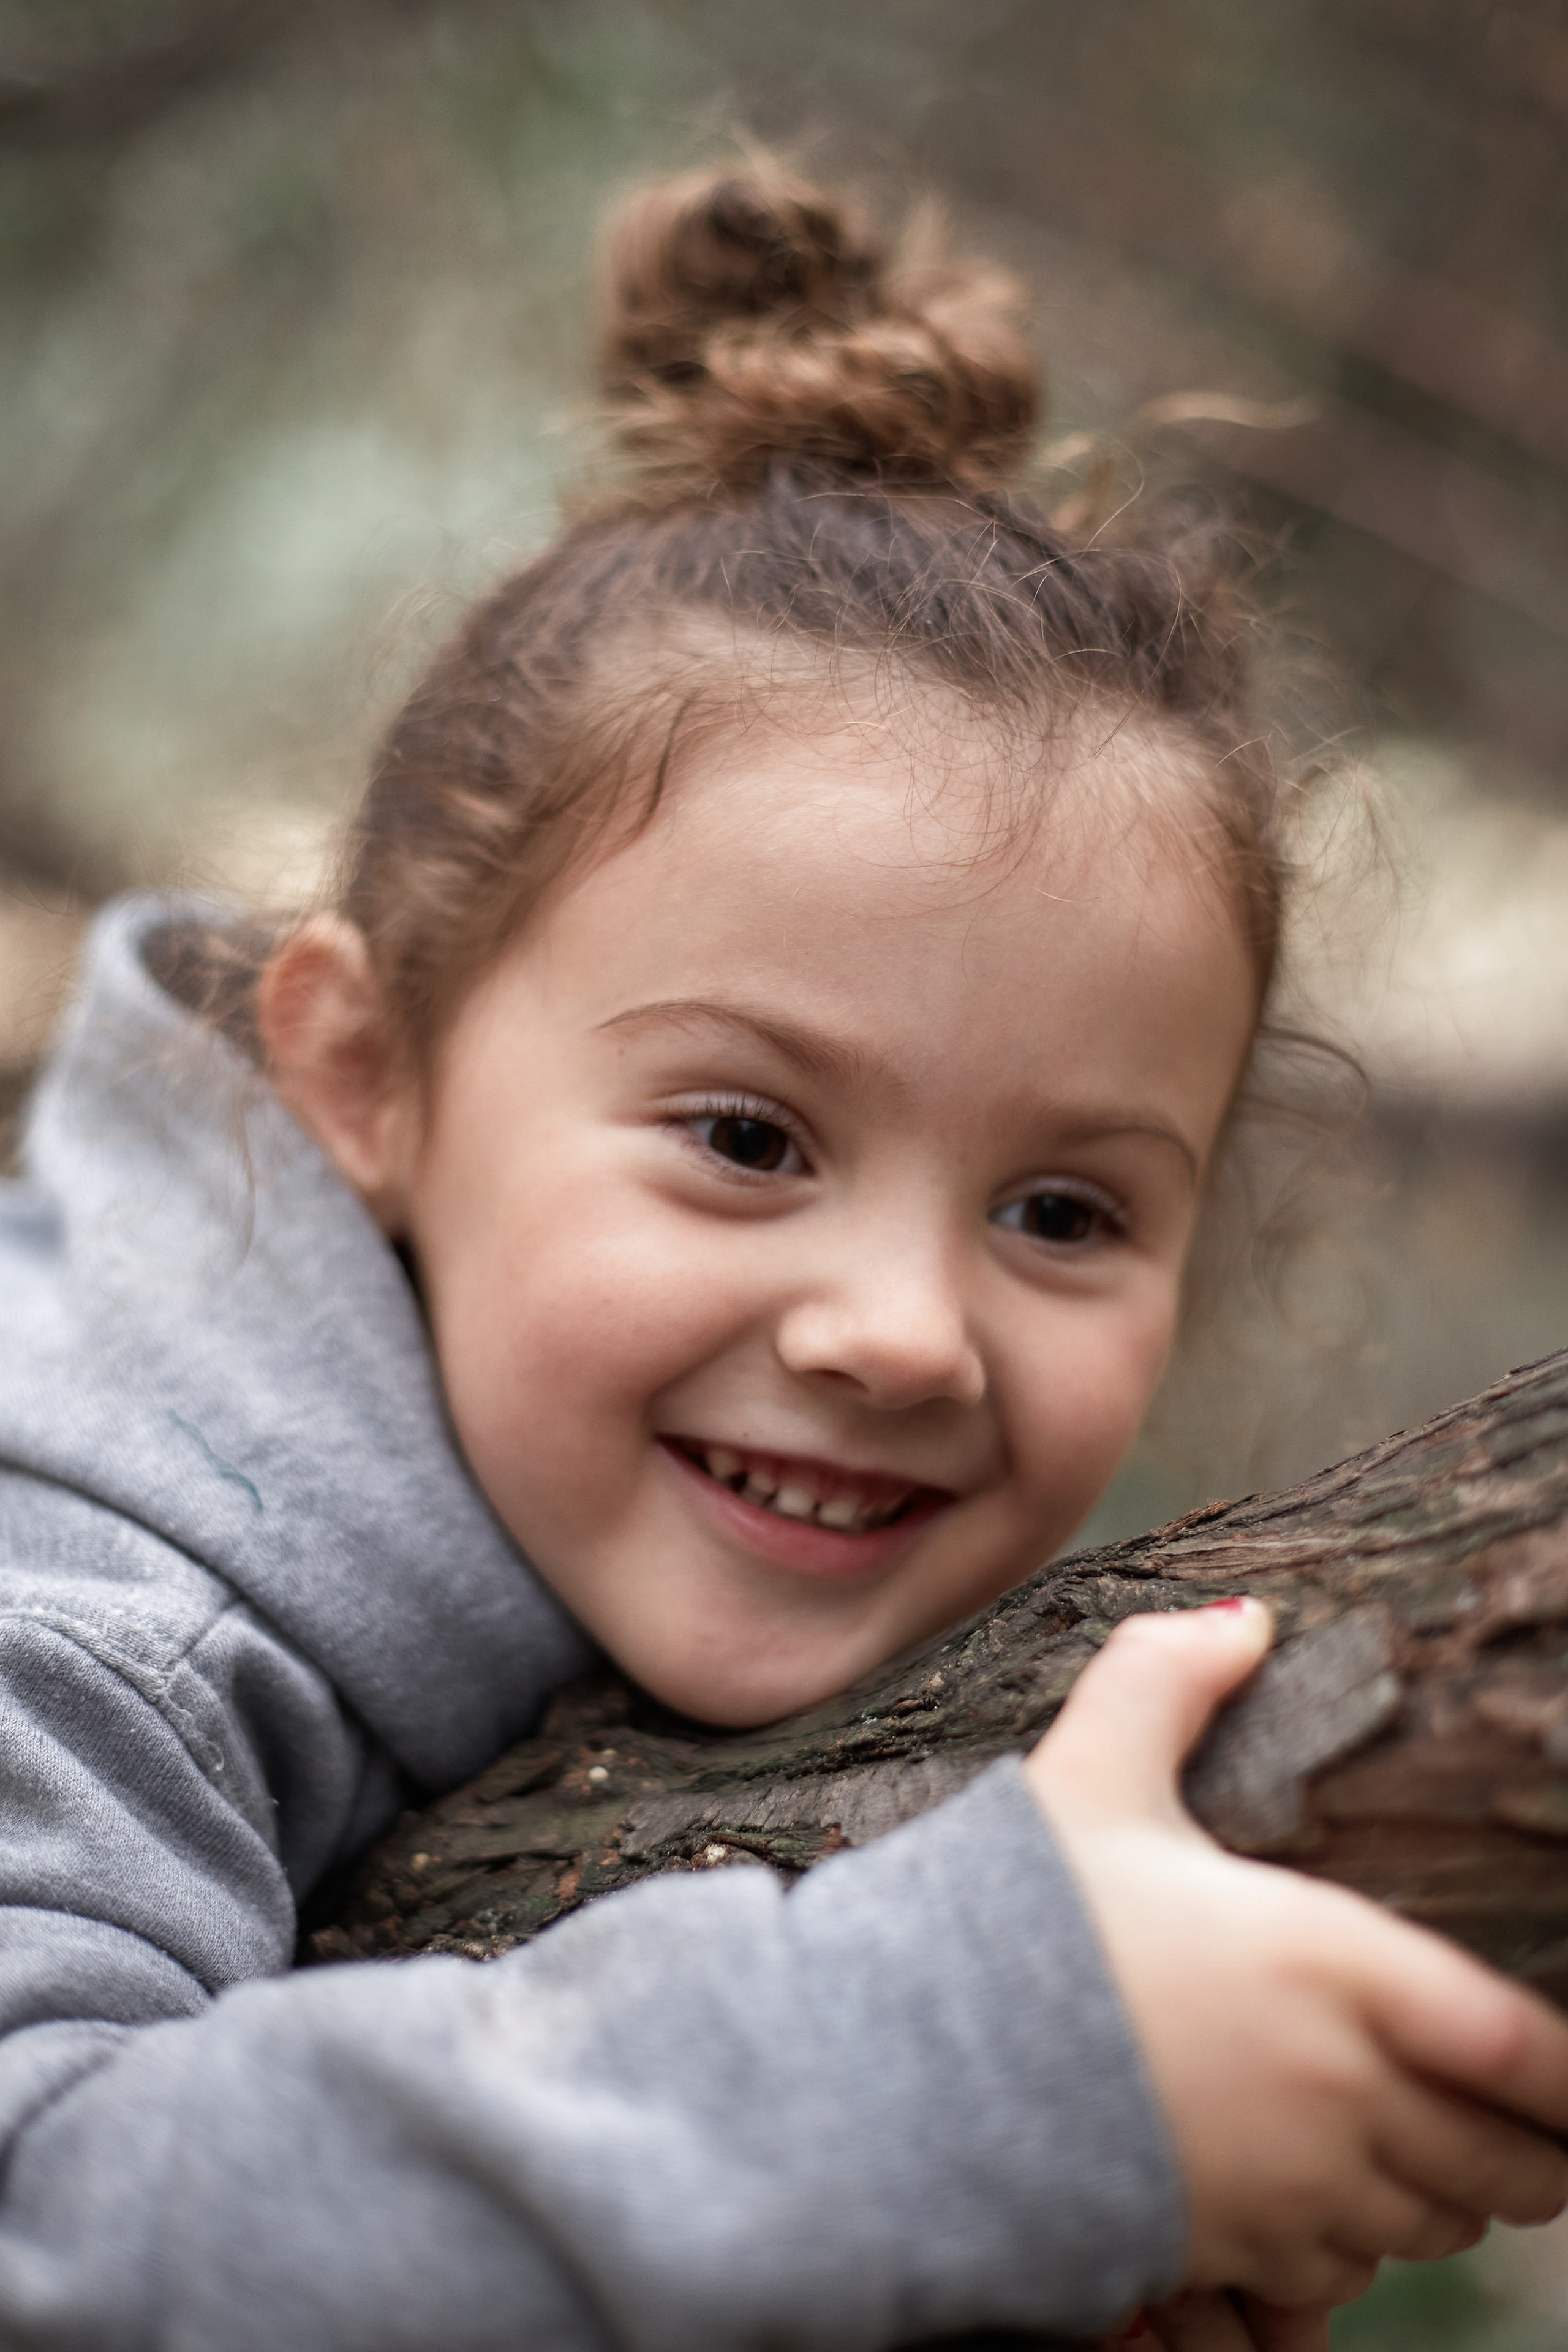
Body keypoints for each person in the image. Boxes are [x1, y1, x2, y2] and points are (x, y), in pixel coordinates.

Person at [0, 165, 1564, 2352]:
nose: (901, 1333)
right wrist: (972, 2061)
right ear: (368, 1079)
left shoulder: (618, 1479)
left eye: (1064, 1212)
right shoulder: (80, 1600)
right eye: (746, 1138)